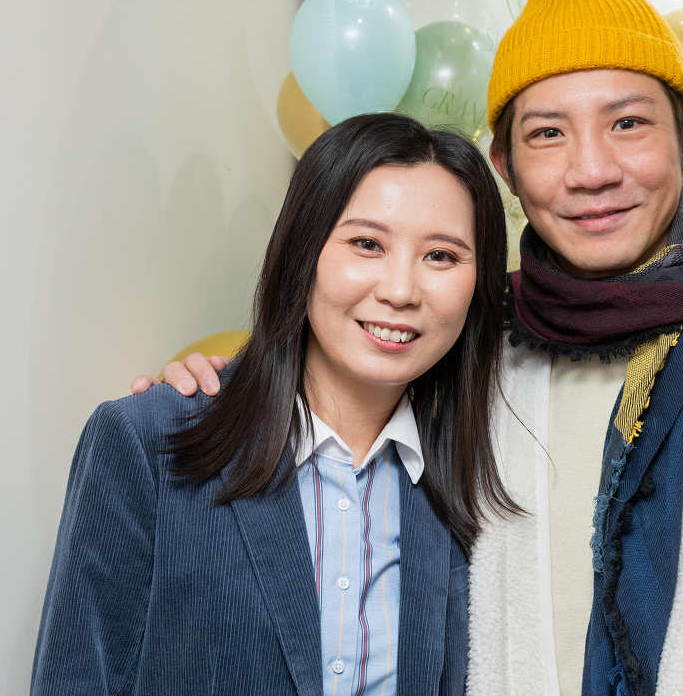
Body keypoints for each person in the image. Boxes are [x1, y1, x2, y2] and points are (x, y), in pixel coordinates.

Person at [138, 0, 683, 695]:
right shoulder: (477, 344)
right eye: (547, 134)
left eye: (628, 123)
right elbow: (335, 411)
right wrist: (208, 390)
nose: (592, 169)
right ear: (505, 166)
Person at [33, 113, 518, 695]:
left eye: (441, 256)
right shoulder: (148, 442)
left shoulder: (474, 481)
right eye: (367, 244)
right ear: (302, 251)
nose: (399, 291)